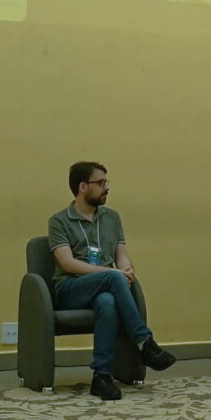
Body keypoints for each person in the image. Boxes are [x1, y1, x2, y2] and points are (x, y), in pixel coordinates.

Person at [48, 162, 176, 401]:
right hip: (70, 288)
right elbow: (67, 263)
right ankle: (144, 342)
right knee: (111, 277)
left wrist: (126, 269)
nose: (107, 187)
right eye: (101, 183)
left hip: (105, 288)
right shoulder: (59, 220)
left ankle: (102, 376)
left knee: (107, 302)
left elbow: (121, 255)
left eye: (107, 182)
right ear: (83, 187)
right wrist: (112, 273)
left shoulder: (112, 218)